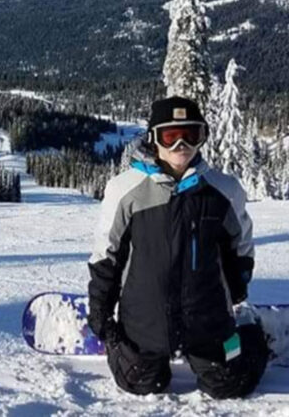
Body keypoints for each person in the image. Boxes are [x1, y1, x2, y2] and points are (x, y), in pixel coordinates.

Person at [87, 95, 268, 398]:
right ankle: (127, 348)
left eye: (190, 135)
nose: (180, 145)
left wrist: (237, 290)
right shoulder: (126, 190)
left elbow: (240, 247)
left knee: (227, 384)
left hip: (207, 320)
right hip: (145, 321)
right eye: (170, 136)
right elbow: (107, 256)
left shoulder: (223, 190)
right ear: (153, 139)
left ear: (202, 137)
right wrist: (101, 313)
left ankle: (249, 333)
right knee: (141, 382)